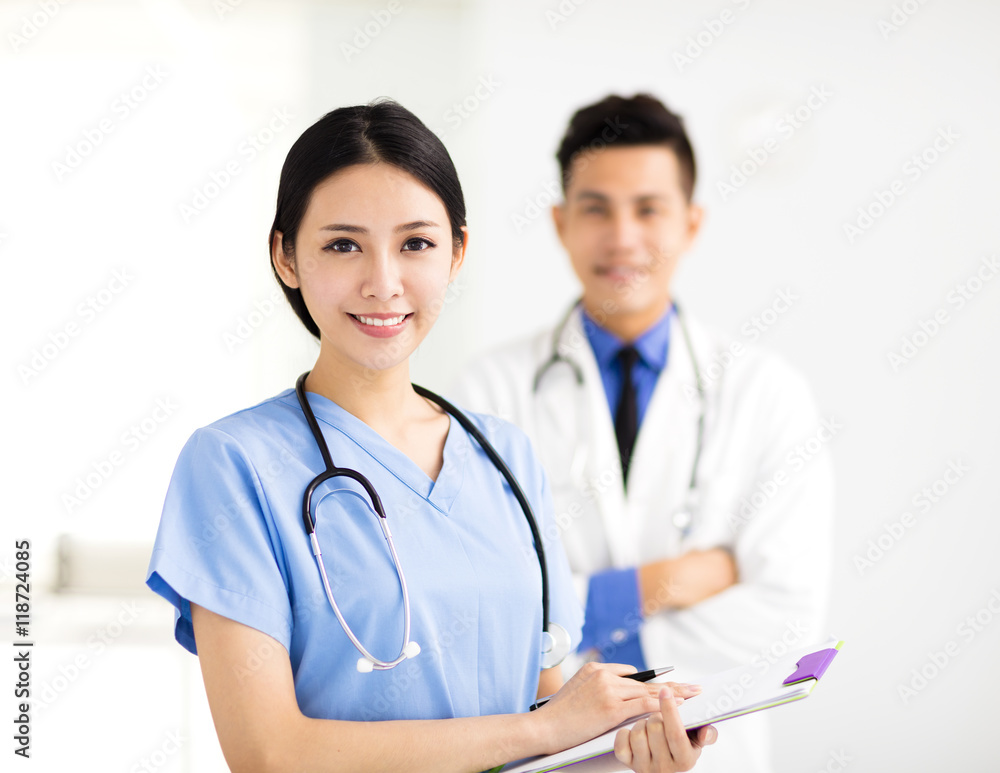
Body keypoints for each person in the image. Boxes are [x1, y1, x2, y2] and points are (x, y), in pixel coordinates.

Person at [146, 99, 716, 773]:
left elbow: (548, 722)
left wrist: (629, 747)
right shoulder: (233, 465)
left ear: (457, 253)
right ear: (287, 256)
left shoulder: (505, 454)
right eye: (342, 244)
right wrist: (544, 729)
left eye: (415, 243)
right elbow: (270, 752)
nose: (383, 283)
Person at [451, 94, 834, 773]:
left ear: (691, 223)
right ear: (561, 222)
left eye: (648, 208)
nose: (623, 236)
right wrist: (676, 579)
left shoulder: (767, 393)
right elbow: (477, 617)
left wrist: (580, 624)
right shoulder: (485, 396)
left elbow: (786, 620)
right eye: (596, 208)